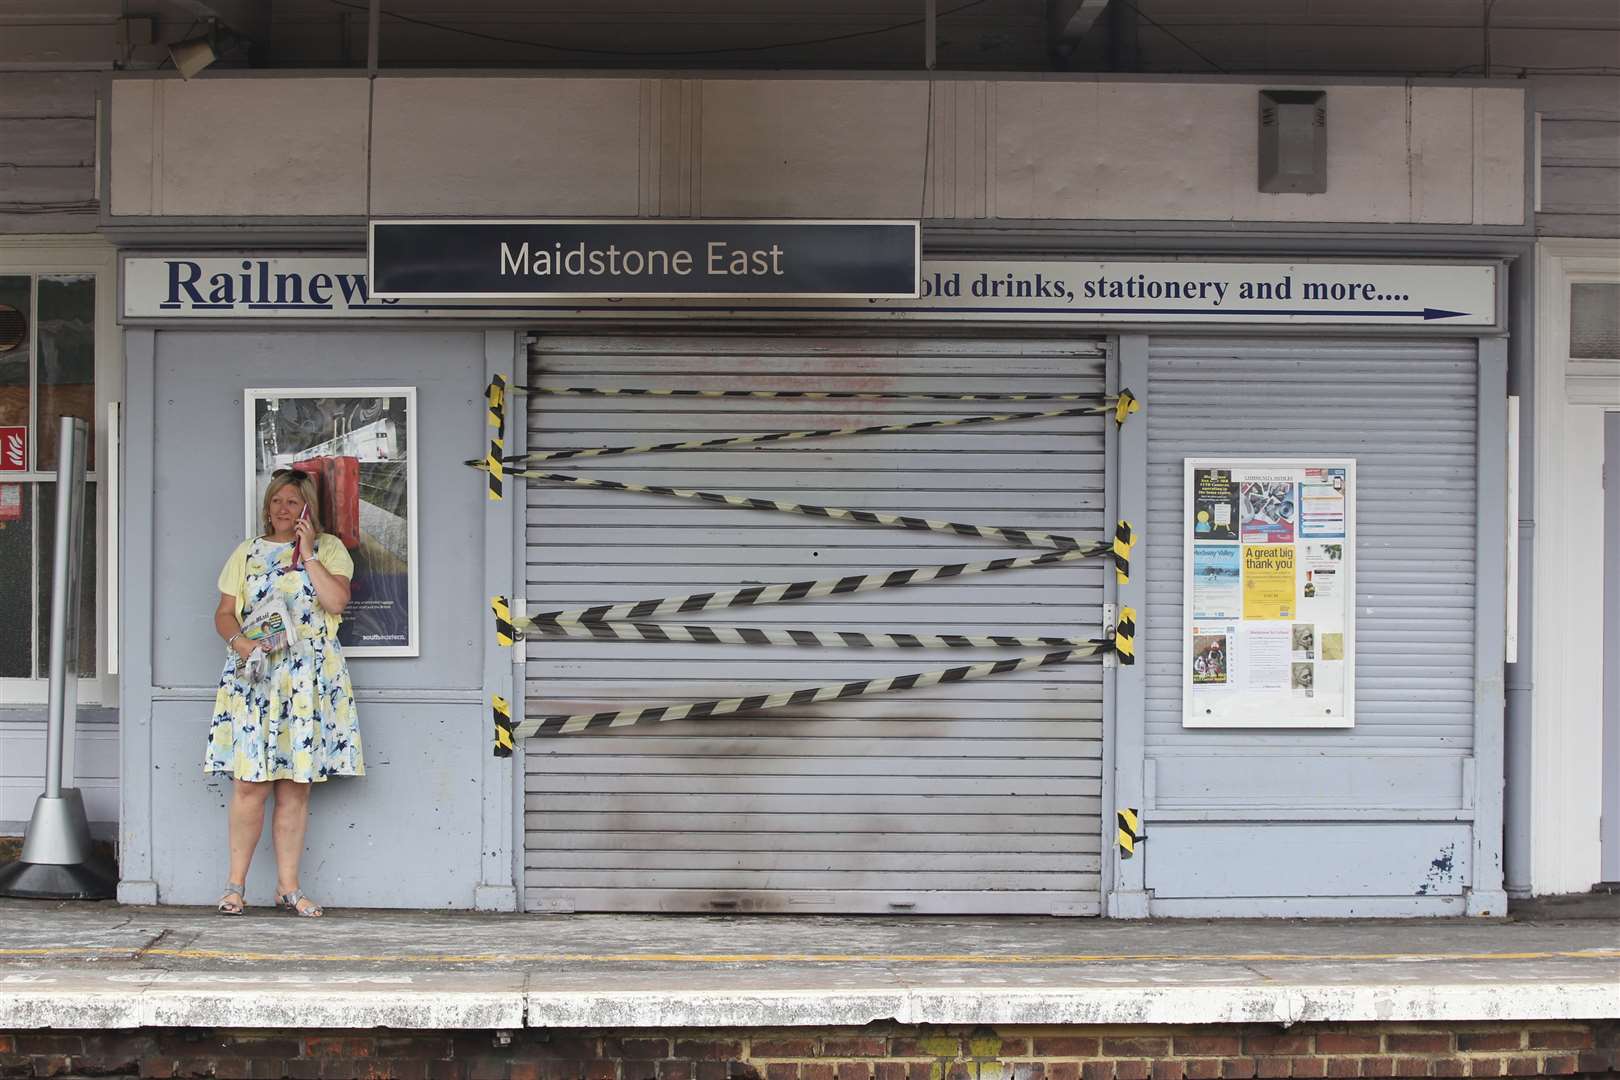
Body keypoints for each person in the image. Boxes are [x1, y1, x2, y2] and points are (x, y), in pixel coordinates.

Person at [205, 468, 364, 916]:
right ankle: (234, 886)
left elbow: (335, 603)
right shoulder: (247, 552)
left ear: (308, 509)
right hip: (257, 674)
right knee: (250, 785)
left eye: (292, 502)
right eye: (276, 501)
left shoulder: (329, 549)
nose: (282, 509)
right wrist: (240, 642)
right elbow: (224, 612)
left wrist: (308, 552)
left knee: (295, 788)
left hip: (308, 679)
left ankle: (288, 888)